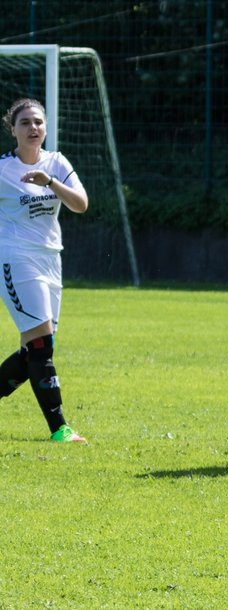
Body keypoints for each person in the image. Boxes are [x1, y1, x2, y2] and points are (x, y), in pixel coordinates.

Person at [0, 98, 91, 444]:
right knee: (40, 342)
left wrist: (49, 181)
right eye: (25, 122)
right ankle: (60, 429)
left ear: (46, 127)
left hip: (51, 260)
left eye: (38, 121)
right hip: (15, 259)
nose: (33, 127)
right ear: (13, 129)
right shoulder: (3, 169)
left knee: (37, 350)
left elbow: (81, 204)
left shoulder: (57, 162)